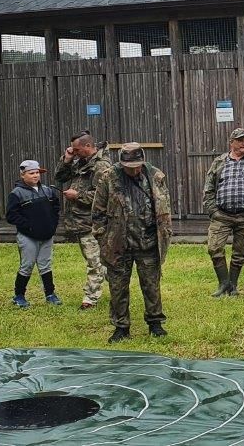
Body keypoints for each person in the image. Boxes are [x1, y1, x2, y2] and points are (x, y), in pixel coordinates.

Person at [92, 143, 172, 343]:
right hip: (118, 244)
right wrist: (103, 239)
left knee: (151, 285)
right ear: (122, 163)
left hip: (148, 242)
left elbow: (165, 208)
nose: (134, 169)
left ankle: (155, 323)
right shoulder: (108, 177)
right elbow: (98, 212)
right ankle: (121, 327)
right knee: (118, 288)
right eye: (129, 166)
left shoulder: (156, 176)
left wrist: (164, 234)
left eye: (137, 165)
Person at [54, 130, 112, 310]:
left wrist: (77, 195)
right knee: (101, 261)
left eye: (77, 149)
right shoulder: (80, 161)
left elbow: (104, 196)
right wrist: (67, 159)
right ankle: (117, 283)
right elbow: (60, 177)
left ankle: (90, 298)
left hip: (94, 223)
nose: (75, 152)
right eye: (73, 150)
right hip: (80, 221)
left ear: (88, 146)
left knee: (94, 261)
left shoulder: (101, 166)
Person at [203, 127, 244, 297]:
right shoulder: (219, 162)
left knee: (240, 253)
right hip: (222, 215)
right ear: (232, 143)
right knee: (214, 248)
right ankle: (223, 283)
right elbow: (208, 188)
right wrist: (213, 211)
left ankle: (233, 285)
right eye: (240, 140)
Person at [4, 160, 62, 309]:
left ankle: (50, 294)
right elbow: (11, 216)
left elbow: (56, 208)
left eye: (37, 173)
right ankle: (19, 296)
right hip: (27, 237)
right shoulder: (16, 194)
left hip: (47, 235)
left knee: (45, 265)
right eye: (31, 173)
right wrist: (29, 227)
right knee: (27, 265)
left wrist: (52, 225)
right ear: (23, 175)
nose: (35, 175)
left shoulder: (48, 191)